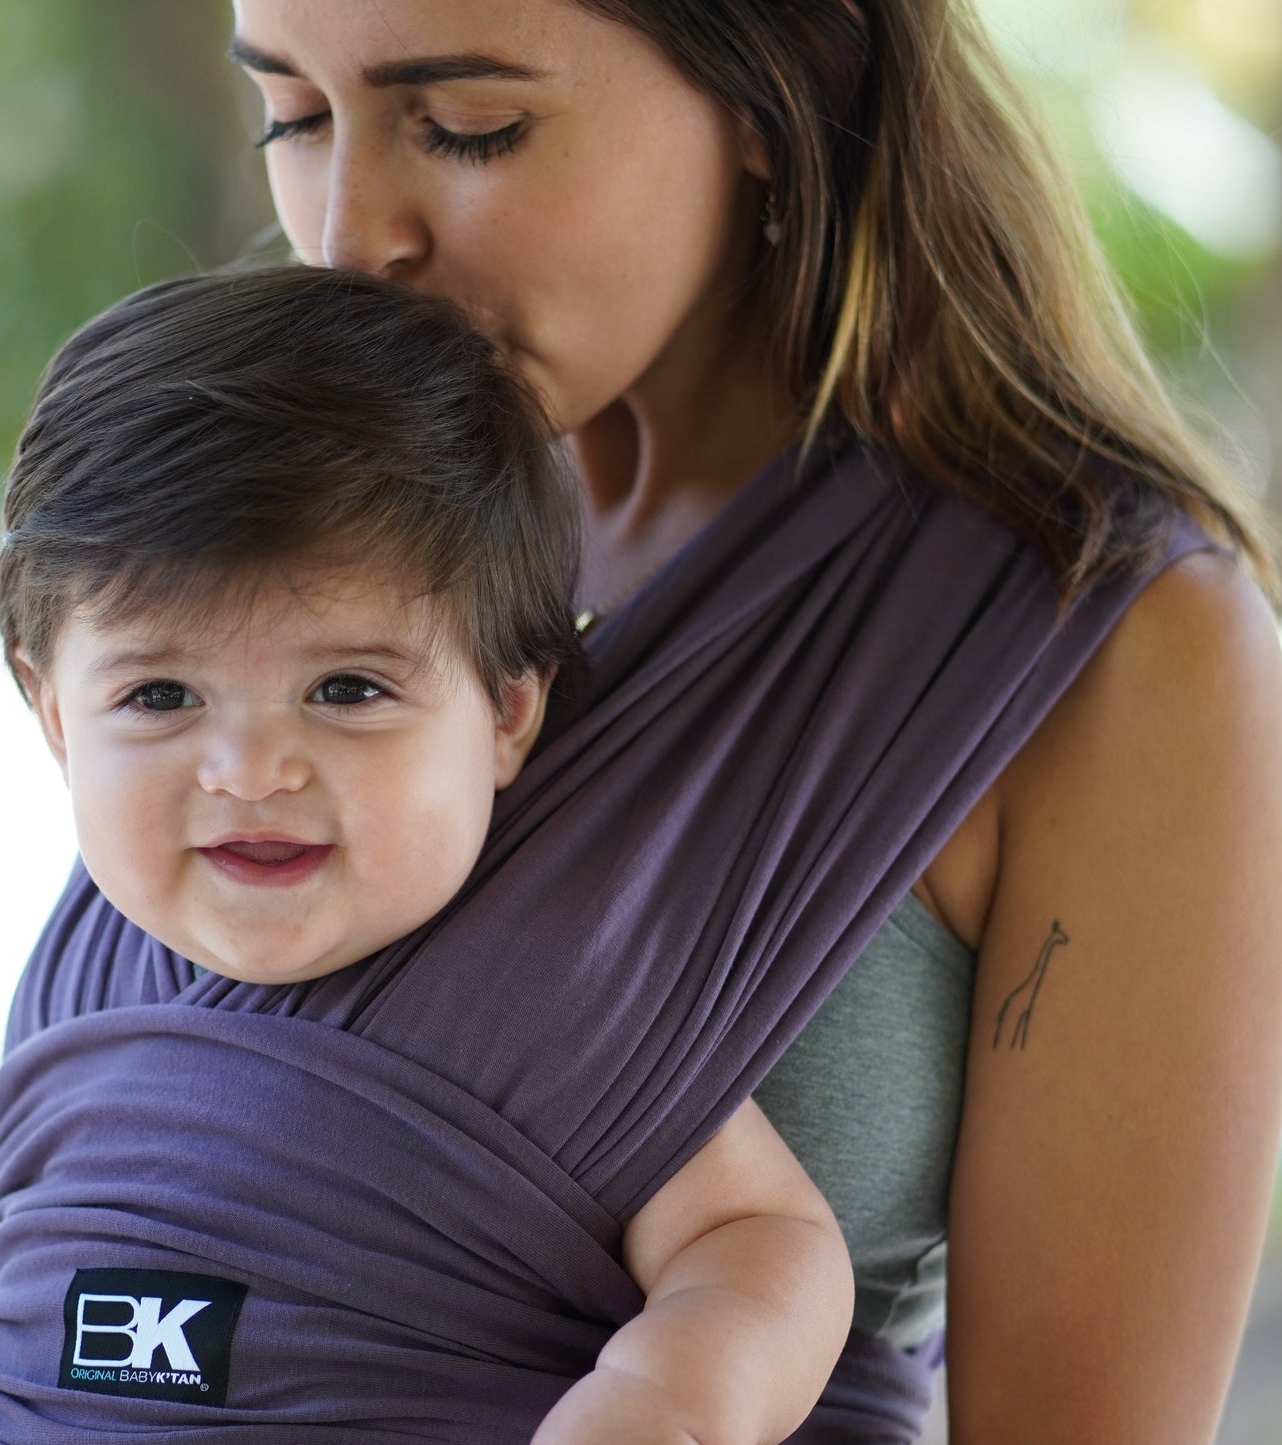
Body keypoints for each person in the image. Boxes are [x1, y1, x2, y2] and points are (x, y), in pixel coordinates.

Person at [211, 0, 1282, 1441]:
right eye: (294, 116)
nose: (349, 238)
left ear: (784, 88)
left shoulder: (1110, 642)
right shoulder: (319, 537)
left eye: (471, 126)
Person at [0, 265, 857, 1442]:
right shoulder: (83, 982)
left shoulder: (555, 989)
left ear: (507, 712)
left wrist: (658, 1403)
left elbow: (758, 1239)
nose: (251, 767)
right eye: (161, 693)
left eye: (347, 687)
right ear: (56, 715)